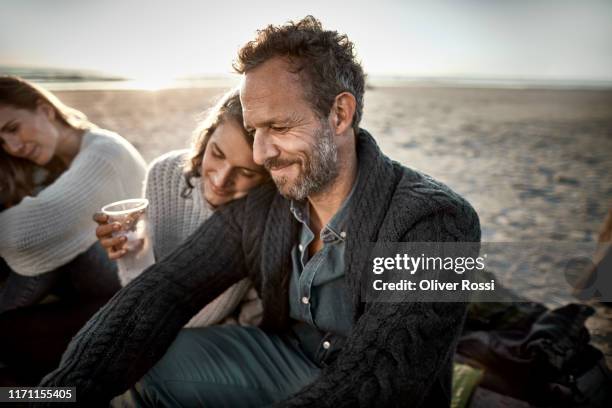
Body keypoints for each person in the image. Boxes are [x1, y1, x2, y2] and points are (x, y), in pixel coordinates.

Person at [40, 16, 481, 407]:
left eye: (279, 127)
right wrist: (61, 389)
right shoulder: (267, 205)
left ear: (340, 114)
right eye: (254, 129)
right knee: (143, 355)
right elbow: (165, 290)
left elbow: (384, 381)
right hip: (284, 366)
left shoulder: (440, 221)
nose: (261, 152)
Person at [0, 76, 146, 382]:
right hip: (88, 283)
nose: (13, 147)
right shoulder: (51, 161)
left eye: (13, 128)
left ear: (45, 110)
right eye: (1, 141)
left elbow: (22, 234)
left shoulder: (105, 152)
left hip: (130, 277)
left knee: (45, 234)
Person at [94, 88, 268, 327]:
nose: (221, 180)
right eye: (217, 153)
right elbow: (142, 288)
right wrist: (132, 254)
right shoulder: (165, 173)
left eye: (246, 172)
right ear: (206, 138)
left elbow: (200, 318)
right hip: (161, 317)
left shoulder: (258, 213)